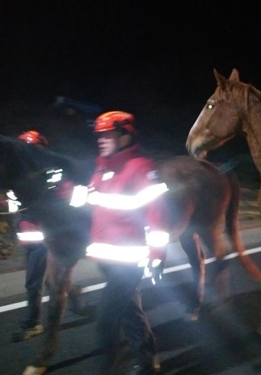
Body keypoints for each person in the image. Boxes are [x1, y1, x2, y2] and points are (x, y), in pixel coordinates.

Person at [82, 111, 168, 374]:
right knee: (129, 310)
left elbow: (157, 214)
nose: (101, 139)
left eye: (107, 134)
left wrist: (156, 254)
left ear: (125, 135)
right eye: (99, 135)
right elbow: (92, 202)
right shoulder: (102, 169)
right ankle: (147, 359)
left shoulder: (142, 167)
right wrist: (64, 190)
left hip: (129, 261)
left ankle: (105, 368)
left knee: (105, 320)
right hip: (108, 259)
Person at [11, 130, 85, 343]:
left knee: (34, 283)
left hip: (50, 236)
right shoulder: (17, 175)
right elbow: (13, 206)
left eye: (33, 148)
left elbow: (66, 199)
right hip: (30, 236)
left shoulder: (54, 172)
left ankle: (33, 324)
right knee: (53, 280)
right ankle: (75, 297)